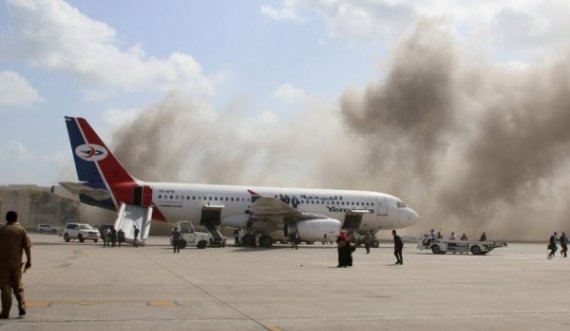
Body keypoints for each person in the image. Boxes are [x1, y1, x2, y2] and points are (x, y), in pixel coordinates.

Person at [0, 211, 31, 319]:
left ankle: (5, 313)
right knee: (18, 286)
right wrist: (29, 261)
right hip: (16, 264)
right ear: (16, 219)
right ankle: (22, 306)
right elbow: (27, 247)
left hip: (3, 264)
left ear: (6, 218)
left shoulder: (1, 229)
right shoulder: (21, 230)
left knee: (5, 287)